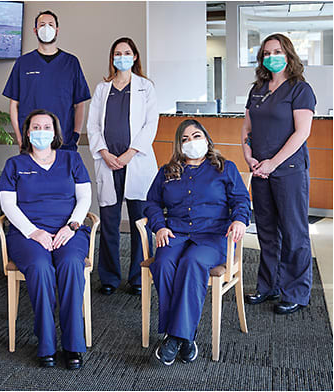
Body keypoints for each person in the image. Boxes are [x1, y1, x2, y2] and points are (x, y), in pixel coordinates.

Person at [145, 119, 250, 365]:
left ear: (206, 139)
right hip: (176, 233)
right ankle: (185, 336)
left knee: (192, 262)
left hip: (213, 236)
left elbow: (241, 201)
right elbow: (151, 203)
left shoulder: (225, 168)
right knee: (162, 263)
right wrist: (159, 226)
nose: (191, 142)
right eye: (185, 139)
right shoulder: (167, 172)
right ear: (179, 146)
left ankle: (174, 336)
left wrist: (240, 221)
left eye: (196, 136)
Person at [0, 109, 92, 369]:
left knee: (72, 266)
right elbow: (8, 204)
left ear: (55, 132)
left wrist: (71, 226)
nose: (41, 132)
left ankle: (73, 345)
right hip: (27, 234)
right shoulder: (14, 164)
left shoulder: (71, 159)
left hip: (68, 230)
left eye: (46, 126)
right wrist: (33, 232)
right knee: (40, 269)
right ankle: (47, 343)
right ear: (27, 133)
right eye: (35, 127)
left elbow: (84, 197)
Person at [241, 34, 316, 315]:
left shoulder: (300, 90)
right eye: (267, 52)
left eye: (277, 51)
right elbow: (246, 127)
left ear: (288, 54)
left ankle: (295, 290)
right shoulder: (258, 88)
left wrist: (273, 162)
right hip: (260, 171)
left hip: (289, 171)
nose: (272, 56)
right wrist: (248, 155)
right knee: (267, 230)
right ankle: (268, 285)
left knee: (294, 231)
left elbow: (302, 133)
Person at [87, 37, 158, 296]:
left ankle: (139, 277)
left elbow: (150, 124)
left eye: (127, 53)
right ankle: (109, 277)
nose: (122, 57)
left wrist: (129, 154)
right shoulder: (102, 88)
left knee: (141, 222)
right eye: (118, 53)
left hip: (136, 161)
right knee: (109, 221)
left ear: (135, 57)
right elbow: (93, 125)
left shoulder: (145, 87)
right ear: (112, 58)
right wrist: (104, 152)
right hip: (108, 162)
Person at [3, 10, 91, 151]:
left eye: (50, 24)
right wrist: (20, 139)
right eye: (42, 24)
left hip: (64, 141)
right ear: (35, 30)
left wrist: (76, 136)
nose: (46, 28)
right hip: (31, 141)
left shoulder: (71, 62)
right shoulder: (23, 63)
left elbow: (79, 104)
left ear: (57, 30)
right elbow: (14, 104)